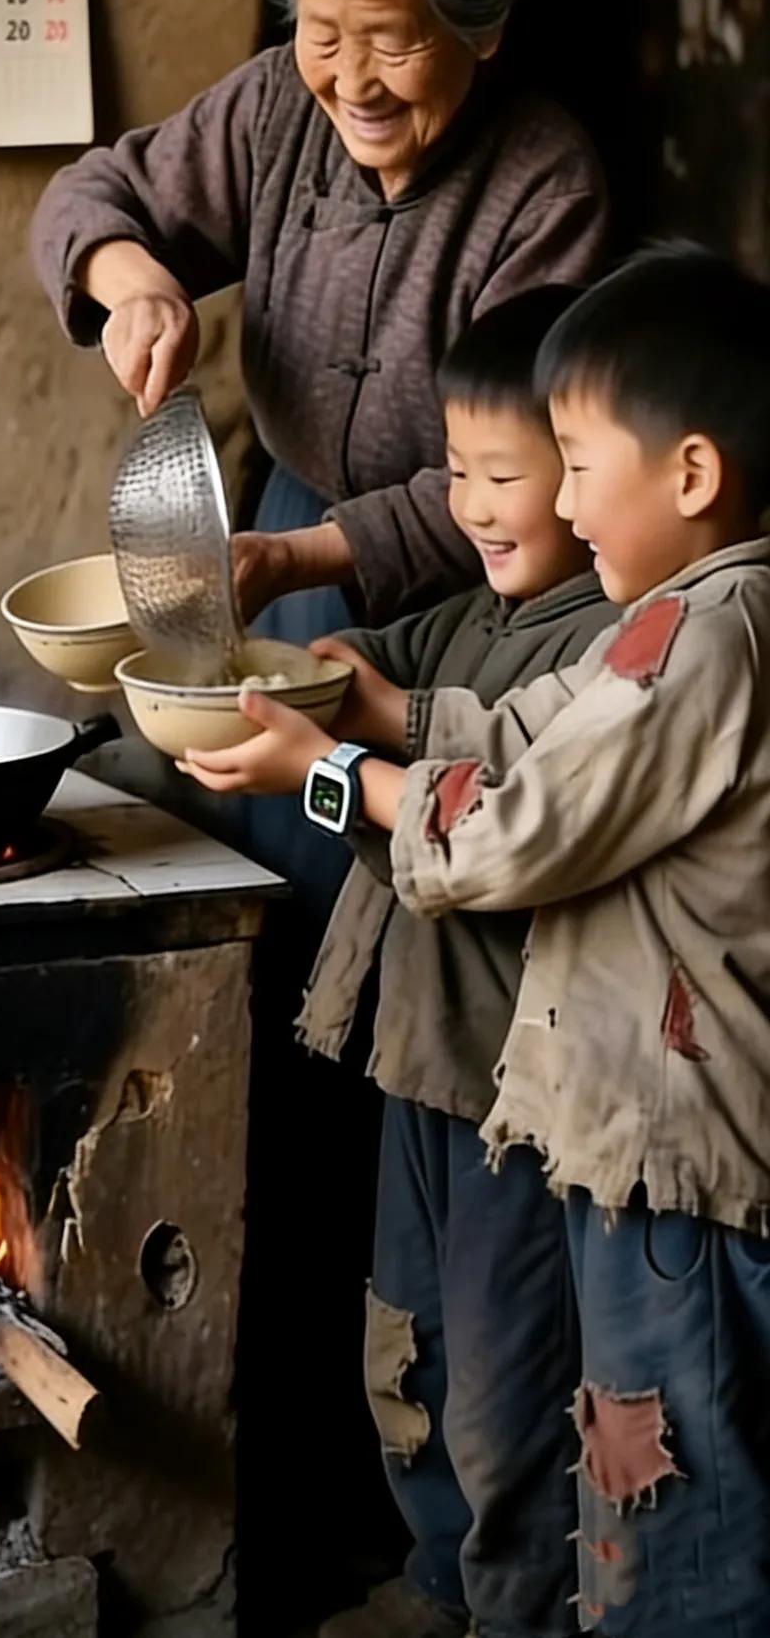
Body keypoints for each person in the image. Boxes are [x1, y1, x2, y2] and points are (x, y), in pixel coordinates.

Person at [204, 247, 770, 1638]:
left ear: (689, 473)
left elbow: (512, 829)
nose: (563, 501)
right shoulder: (675, 622)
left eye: (575, 464)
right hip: (632, 1141)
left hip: (675, 1162)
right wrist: (380, 711)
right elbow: (533, 728)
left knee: (667, 1506)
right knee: (633, 1461)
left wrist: (323, 779)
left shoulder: (707, 638)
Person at [182, 287, 618, 1638]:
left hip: (515, 1096)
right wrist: (290, 674)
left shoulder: (609, 643)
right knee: (406, 1345)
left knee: (507, 1382)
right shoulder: (473, 608)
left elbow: (482, 781)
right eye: (458, 472)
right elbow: (375, 663)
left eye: (506, 476)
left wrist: (329, 764)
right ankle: (437, 1578)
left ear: (597, 473)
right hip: (417, 1059)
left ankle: (517, 1605)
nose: (473, 505)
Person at [32, 0, 610, 649]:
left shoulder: (546, 184)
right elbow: (86, 195)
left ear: (481, 26)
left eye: (391, 40)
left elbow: (530, 467)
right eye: (324, 36)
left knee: (422, 771)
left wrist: (297, 559)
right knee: (272, 759)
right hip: (290, 517)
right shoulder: (274, 108)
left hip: (483, 567)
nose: (353, 83)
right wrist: (139, 287)